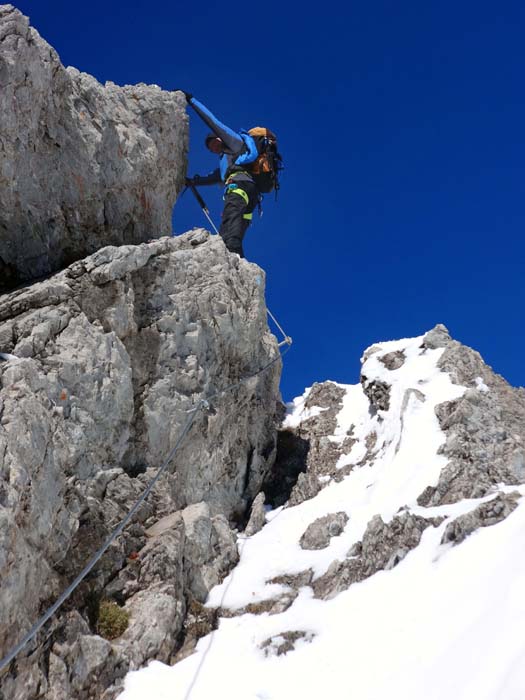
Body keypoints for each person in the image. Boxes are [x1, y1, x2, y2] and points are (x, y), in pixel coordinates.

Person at [180, 91, 267, 258]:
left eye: (213, 143)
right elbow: (212, 178)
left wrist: (192, 101)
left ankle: (229, 253)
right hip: (250, 194)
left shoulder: (234, 143)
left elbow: (213, 122)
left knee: (229, 223)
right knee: (238, 225)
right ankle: (236, 259)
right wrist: (191, 182)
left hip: (239, 187)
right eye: (210, 148)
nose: (213, 148)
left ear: (220, 138)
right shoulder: (228, 162)